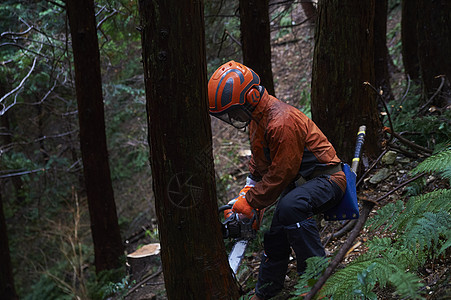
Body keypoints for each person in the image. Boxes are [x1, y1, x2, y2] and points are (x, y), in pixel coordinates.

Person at [208, 60, 347, 299]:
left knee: (289, 207)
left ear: (250, 97)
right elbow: (260, 165)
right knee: (275, 232)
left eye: (234, 111)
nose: (234, 117)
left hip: (327, 180)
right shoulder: (258, 121)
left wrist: (252, 201)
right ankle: (267, 290)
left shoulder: (282, 121)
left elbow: (282, 173)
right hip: (299, 186)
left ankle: (316, 279)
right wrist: (247, 194)